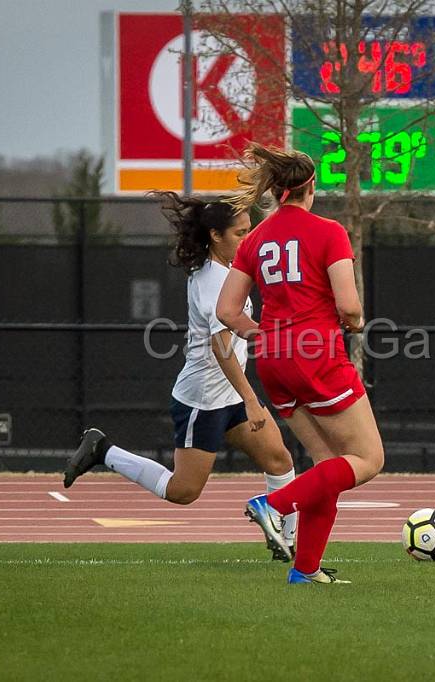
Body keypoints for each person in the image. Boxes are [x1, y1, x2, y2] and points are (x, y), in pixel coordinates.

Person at [63, 192, 298, 560]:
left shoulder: (230, 272)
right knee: (183, 491)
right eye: (240, 233)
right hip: (203, 399)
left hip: (230, 395)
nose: (248, 238)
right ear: (216, 236)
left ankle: (289, 544)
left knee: (280, 461)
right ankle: (103, 450)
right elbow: (222, 348)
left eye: (250, 230)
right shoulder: (212, 279)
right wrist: (253, 401)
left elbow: (237, 328)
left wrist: (272, 335)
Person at [216, 144, 384, 584]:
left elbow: (227, 312)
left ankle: (305, 570)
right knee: (368, 459)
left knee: (328, 464)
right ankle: (272, 505)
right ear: (310, 188)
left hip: (273, 360)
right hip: (317, 356)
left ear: (275, 191)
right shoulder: (328, 231)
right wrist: (357, 320)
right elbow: (348, 307)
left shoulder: (254, 239)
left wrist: (265, 336)